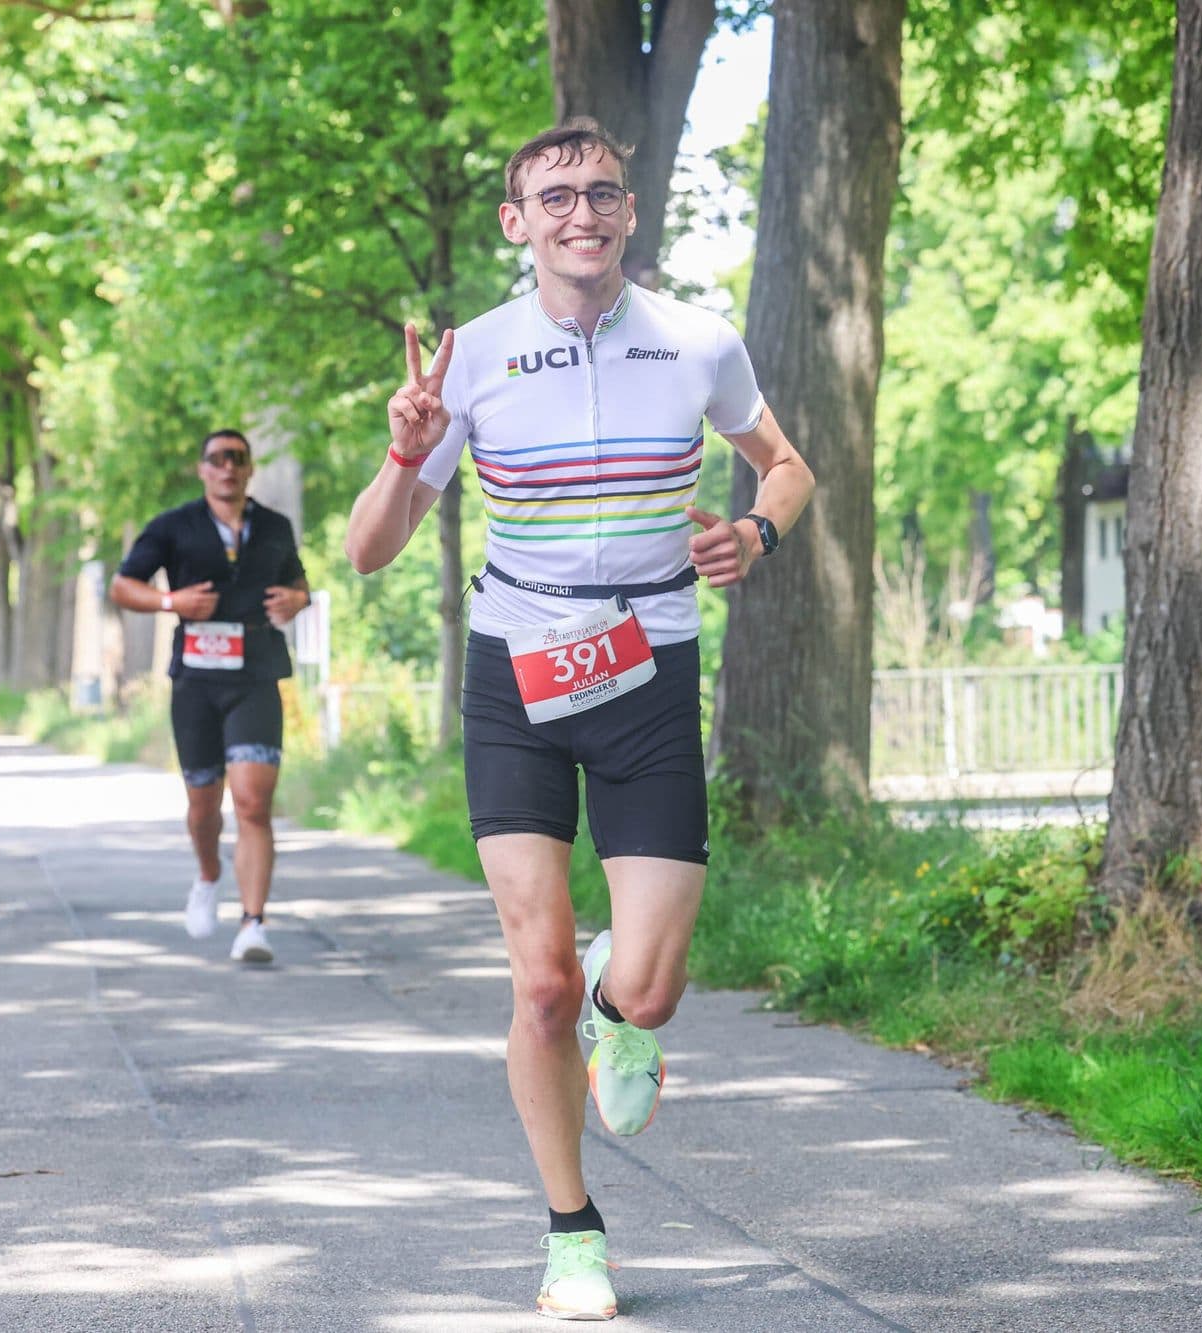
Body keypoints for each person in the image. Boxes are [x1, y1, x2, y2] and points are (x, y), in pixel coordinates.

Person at [343, 119, 814, 1321]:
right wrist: (405, 459)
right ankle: (572, 1233)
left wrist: (753, 532)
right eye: (553, 198)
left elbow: (786, 467)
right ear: (517, 223)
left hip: (648, 666)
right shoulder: (471, 359)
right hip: (519, 674)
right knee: (537, 984)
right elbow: (367, 549)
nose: (580, 214)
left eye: (601, 192)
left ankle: (623, 1007)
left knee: (644, 993)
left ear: (630, 212)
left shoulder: (696, 343)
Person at [109, 428, 312, 964]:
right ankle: (207, 875)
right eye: (217, 459)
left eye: (237, 459)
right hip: (197, 683)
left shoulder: (274, 526)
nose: (228, 468)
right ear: (202, 469)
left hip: (256, 675)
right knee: (203, 805)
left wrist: (295, 600)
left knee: (251, 802)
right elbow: (122, 586)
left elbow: (300, 586)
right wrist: (170, 601)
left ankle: (253, 924)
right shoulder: (174, 526)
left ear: (248, 469)